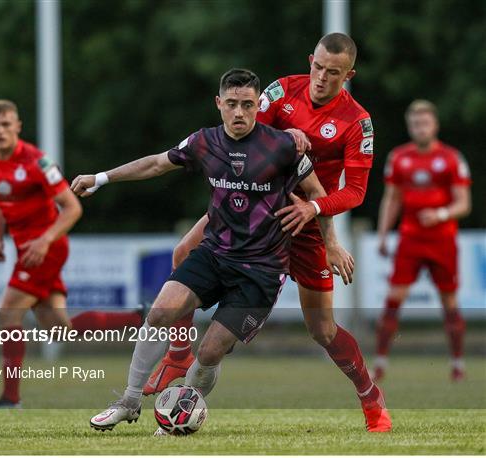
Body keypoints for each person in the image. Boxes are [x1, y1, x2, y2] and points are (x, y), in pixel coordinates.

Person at [71, 68, 353, 432]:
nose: (239, 113)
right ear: (218, 104)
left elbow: (317, 193)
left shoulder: (282, 147)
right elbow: (157, 163)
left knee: (208, 352)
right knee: (159, 314)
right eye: (232, 104)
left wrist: (331, 243)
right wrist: (102, 178)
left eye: (248, 105)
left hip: (261, 272)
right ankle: (128, 401)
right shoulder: (204, 142)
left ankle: (176, 415)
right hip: (215, 254)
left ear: (258, 106)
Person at [144, 33, 392, 432]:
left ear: (349, 75)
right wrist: (279, 137)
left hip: (307, 223)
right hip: (249, 206)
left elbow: (356, 192)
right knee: (183, 252)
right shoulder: (280, 90)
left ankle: (370, 398)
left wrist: (322, 226)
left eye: (334, 73)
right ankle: (178, 355)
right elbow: (242, 129)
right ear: (310, 59)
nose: (322, 78)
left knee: (322, 331)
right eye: (318, 67)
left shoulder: (357, 121)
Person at [0, 100, 142, 408]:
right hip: (26, 249)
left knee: (7, 313)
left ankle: (10, 399)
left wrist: (44, 239)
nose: (0, 131)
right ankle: (138, 317)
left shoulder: (38, 163)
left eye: (5, 125)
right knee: (59, 330)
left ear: (17, 126)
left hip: (47, 249)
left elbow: (72, 207)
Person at [374, 99, 471, 382]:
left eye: (425, 123)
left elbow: (464, 204)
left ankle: (457, 364)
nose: (420, 128)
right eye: (415, 123)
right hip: (410, 240)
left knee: (449, 302)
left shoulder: (452, 158)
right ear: (409, 127)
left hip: (443, 240)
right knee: (393, 300)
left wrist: (440, 213)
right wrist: (383, 234)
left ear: (435, 125)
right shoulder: (399, 157)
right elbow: (391, 199)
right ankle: (379, 364)